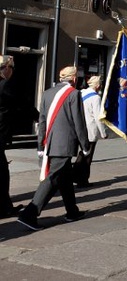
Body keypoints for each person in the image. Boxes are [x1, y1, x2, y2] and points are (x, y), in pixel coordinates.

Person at [17, 66, 90, 231]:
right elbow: (79, 122)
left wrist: (40, 144)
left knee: (64, 178)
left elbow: (41, 121)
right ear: (74, 79)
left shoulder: (48, 93)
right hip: (64, 145)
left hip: (50, 143)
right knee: (52, 179)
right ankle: (29, 213)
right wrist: (85, 146)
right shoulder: (74, 93)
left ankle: (72, 211)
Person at [73, 75, 107, 187]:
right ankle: (83, 180)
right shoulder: (96, 98)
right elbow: (98, 117)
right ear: (97, 86)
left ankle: (75, 175)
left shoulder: (81, 93)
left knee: (82, 153)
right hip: (90, 130)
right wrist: (103, 132)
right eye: (100, 84)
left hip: (79, 128)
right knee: (87, 156)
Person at [0, 55, 23, 218]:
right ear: (6, 68)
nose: (12, 72)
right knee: (2, 172)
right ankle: (4, 208)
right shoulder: (5, 85)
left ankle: (5, 206)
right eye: (12, 68)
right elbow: (22, 104)